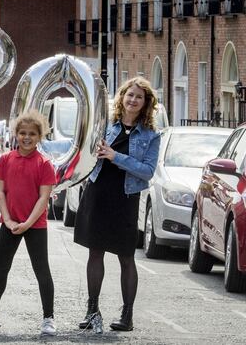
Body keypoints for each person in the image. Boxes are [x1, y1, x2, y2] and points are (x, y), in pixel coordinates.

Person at [73, 77, 161, 332]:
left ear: (146, 103)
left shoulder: (151, 136)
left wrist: (115, 156)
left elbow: (147, 171)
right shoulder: (105, 125)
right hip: (98, 192)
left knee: (126, 256)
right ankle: (92, 311)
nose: (133, 100)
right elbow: (84, 151)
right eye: (129, 95)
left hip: (125, 197)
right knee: (95, 252)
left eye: (139, 97)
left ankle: (127, 315)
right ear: (122, 97)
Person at [0, 110, 57, 335]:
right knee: (0, 269)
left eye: (32, 134)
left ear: (39, 136)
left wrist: (28, 223)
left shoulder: (44, 163)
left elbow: (44, 197)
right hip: (9, 224)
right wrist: (8, 220)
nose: (26, 137)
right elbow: (0, 192)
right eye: (22, 133)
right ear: (15, 134)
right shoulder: (5, 159)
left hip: (35, 225)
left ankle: (48, 318)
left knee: (42, 270)